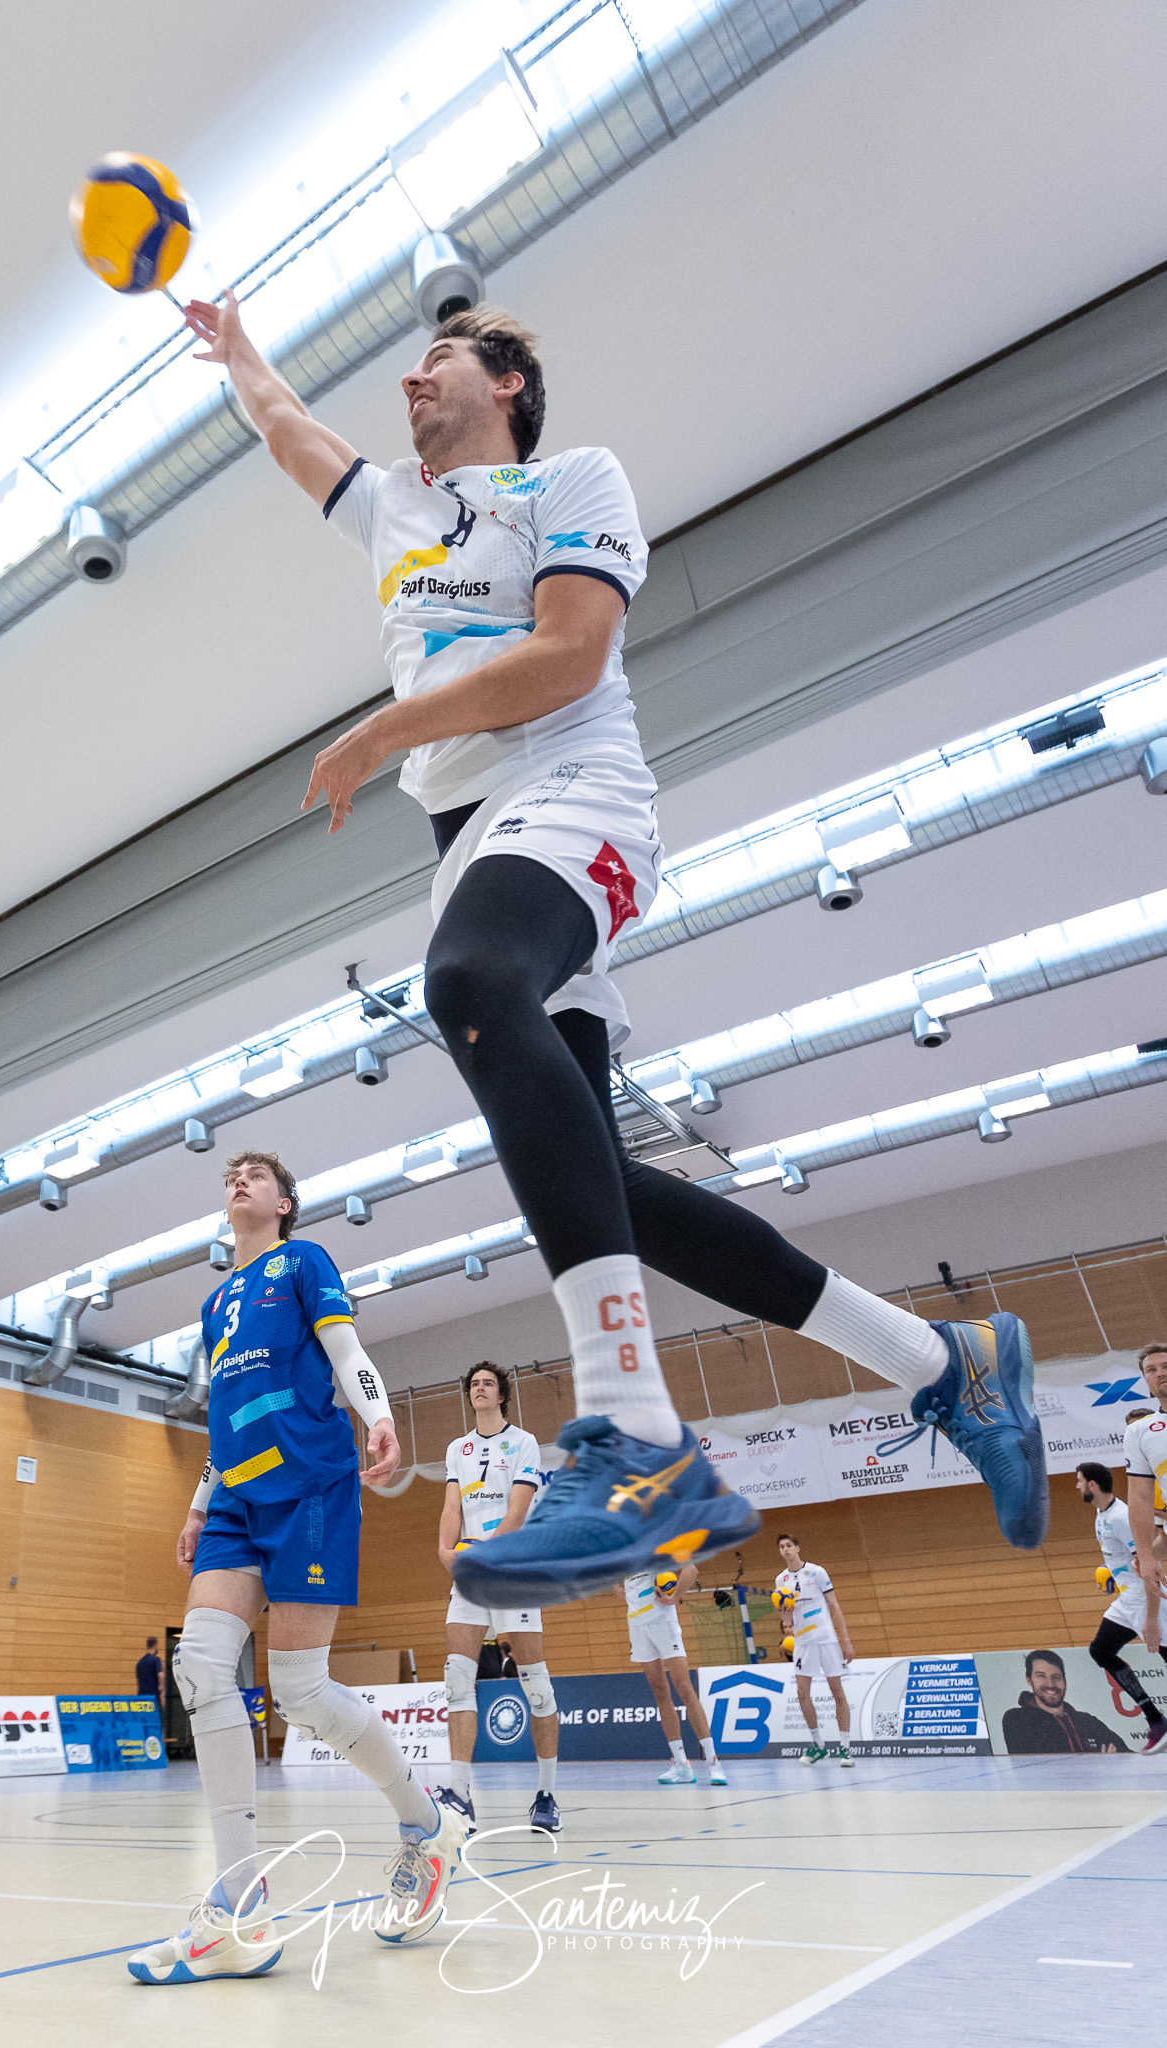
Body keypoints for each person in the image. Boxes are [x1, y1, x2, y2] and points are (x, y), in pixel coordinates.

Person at [182, 288, 1048, 1611]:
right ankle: (944, 1362)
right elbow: (292, 427)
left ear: (510, 383)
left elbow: (568, 657)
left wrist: (380, 731)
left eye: (437, 361)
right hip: (468, 846)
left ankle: (638, 1434)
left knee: (466, 984)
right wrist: (236, 354)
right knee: (609, 1189)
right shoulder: (393, 515)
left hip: (572, 785)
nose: (410, 383)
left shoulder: (570, 482)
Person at [128, 1151, 468, 1986]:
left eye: (254, 1176)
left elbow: (344, 1347)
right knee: (201, 1666)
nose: (236, 1183)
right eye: (229, 1176)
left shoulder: (303, 1261)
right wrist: (201, 1500)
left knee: (301, 1693)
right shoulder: (214, 1303)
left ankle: (426, 1826)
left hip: (310, 1484)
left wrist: (378, 1416)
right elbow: (224, 1413)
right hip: (236, 1503)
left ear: (283, 1203)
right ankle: (237, 1907)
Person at [435, 1362, 560, 1834]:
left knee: (536, 1686)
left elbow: (519, 1507)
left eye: (487, 1383)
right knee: (456, 1681)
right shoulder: (456, 1449)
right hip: (470, 1574)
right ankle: (460, 1794)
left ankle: (546, 1794)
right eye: (473, 1385)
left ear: (502, 1394)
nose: (479, 1389)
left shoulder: (523, 1442)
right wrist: (446, 1551)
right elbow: (453, 1506)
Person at [1074, 1460, 1167, 1754]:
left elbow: (1149, 1567)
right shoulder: (1102, 1516)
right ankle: (1156, 1720)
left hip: (1145, 1596)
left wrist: (1151, 1619)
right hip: (1126, 1600)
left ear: (1092, 1485)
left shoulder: (1122, 1517)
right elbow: (1125, 1561)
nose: (1076, 1486)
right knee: (1100, 1650)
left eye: (1079, 1481)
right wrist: (1110, 1572)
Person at [622, 1563, 726, 1786]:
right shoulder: (626, 1552)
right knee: (660, 1692)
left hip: (663, 1621)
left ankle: (713, 1762)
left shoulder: (659, 1546)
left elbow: (691, 1570)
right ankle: (681, 1765)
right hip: (637, 1625)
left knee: (684, 1687)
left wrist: (674, 1596)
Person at [774, 1534, 855, 1767]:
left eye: (789, 1545)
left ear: (798, 1548)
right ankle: (818, 1745)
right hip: (803, 1643)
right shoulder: (781, 1579)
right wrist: (786, 1619)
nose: (786, 1549)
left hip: (826, 1639)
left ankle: (846, 1749)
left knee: (837, 1692)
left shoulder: (817, 1572)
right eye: (782, 1547)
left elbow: (834, 1606)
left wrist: (845, 1640)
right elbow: (786, 1614)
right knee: (802, 1694)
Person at [1001, 1649, 1126, 1754]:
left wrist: (1114, 1763)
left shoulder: (1087, 1721)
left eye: (1056, 1677)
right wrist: (1099, 1765)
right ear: (1029, 1680)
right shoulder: (1017, 1719)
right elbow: (1031, 1768)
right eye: (1041, 1676)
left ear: (1065, 1680)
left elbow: (1127, 1755)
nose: (1050, 1684)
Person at [1125, 1342, 1167, 1656]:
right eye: (1151, 1370)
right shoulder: (1141, 1432)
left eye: (1165, 1366)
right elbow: (1139, 1497)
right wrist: (1146, 1554)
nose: (1160, 1373)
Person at [135, 1635, 164, 1714]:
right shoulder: (156, 1660)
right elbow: (161, 1674)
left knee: (144, 1719)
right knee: (158, 1721)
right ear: (155, 1645)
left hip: (142, 1697)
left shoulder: (140, 1662)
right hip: (153, 1696)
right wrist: (161, 1687)